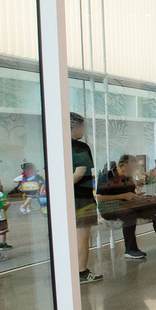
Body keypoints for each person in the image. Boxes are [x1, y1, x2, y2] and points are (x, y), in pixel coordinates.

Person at [96, 154, 156, 260]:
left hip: (128, 204)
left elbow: (131, 193)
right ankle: (130, 249)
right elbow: (99, 198)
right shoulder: (107, 177)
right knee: (129, 214)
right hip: (110, 208)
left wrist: (138, 197)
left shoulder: (128, 177)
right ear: (121, 165)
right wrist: (123, 196)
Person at [71, 112, 102, 283]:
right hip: (81, 198)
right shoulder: (80, 147)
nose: (83, 130)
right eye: (82, 126)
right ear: (73, 127)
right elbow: (80, 173)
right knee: (82, 235)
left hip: (64, 199)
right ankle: (81, 272)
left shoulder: (55, 145)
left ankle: (70, 271)